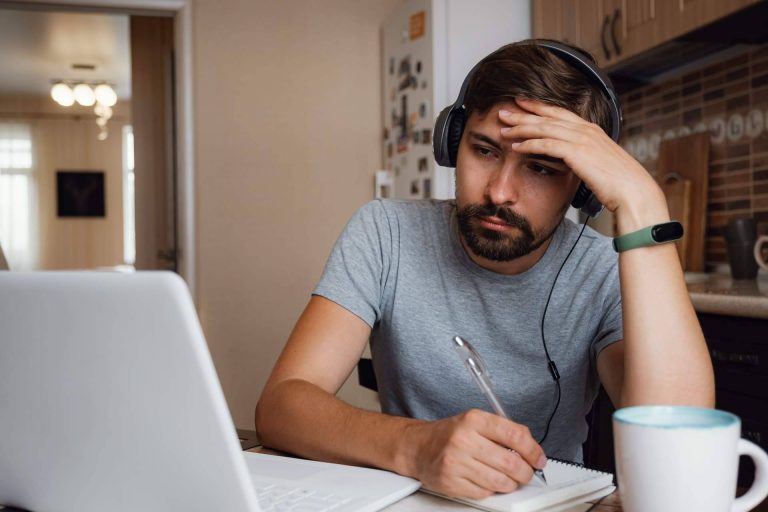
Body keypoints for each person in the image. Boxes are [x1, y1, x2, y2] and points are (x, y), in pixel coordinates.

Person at [255, 39, 714, 499]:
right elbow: (281, 406)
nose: (499, 192)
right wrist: (415, 447)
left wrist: (642, 200)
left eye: (540, 168)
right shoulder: (385, 232)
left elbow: (678, 442)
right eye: (485, 151)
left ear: (582, 187)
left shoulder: (603, 271)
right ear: (453, 142)